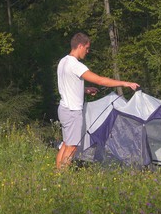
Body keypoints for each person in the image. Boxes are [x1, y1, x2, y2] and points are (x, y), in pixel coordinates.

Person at [56, 32, 140, 170]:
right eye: (87, 48)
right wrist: (125, 83)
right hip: (73, 112)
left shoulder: (63, 62)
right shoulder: (76, 65)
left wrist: (84, 89)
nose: (87, 52)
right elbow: (101, 80)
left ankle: (57, 174)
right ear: (80, 46)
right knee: (72, 147)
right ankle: (62, 178)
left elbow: (67, 84)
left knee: (66, 144)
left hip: (64, 109)